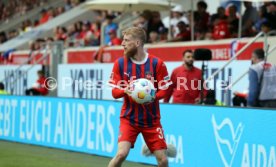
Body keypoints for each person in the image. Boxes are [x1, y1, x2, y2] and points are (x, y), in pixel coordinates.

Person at [108, 27, 171, 167]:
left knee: (164, 160)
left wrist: (151, 97)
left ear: (137, 43)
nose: (122, 44)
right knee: (121, 154)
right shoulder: (120, 63)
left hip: (152, 121)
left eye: (126, 41)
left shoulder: (157, 63)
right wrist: (127, 90)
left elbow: (165, 90)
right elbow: (115, 92)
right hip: (129, 119)